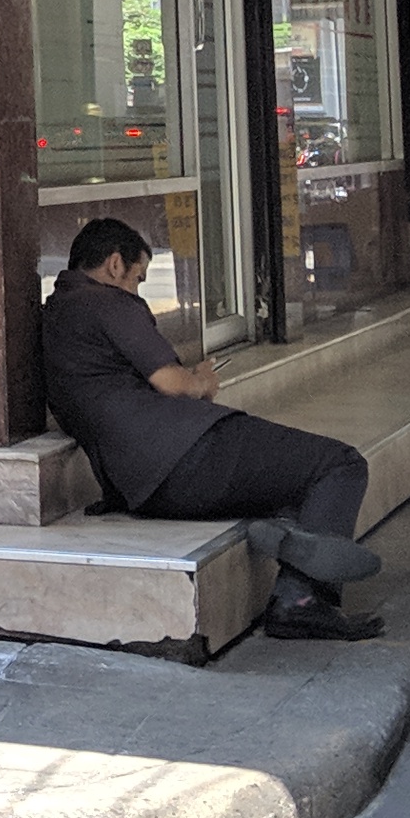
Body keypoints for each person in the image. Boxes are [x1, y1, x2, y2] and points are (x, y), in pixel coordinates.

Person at [37, 217, 385, 640]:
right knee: (339, 464)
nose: (137, 290)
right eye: (138, 278)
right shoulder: (107, 303)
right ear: (114, 264)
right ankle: (302, 601)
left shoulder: (53, 313)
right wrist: (202, 380)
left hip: (139, 487)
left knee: (290, 478)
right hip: (186, 453)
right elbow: (171, 382)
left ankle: (290, 549)